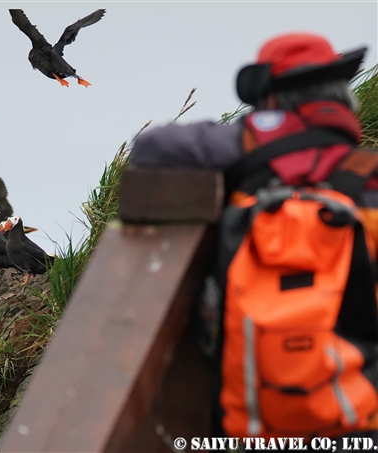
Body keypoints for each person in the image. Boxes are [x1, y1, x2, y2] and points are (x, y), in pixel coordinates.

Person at [129, 32, 378, 447]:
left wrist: (259, 132)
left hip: (252, 427)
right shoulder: (367, 176)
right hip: (358, 420)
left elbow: (149, 147)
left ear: (271, 98)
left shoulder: (245, 143)